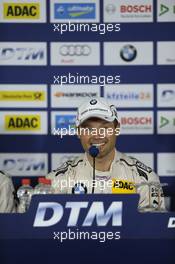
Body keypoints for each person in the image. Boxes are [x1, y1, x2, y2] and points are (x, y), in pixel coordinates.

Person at [47, 97, 165, 210]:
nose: (97, 135)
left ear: (116, 129)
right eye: (89, 129)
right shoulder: (57, 180)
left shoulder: (145, 180)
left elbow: (153, 228)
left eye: (104, 128)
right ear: (78, 132)